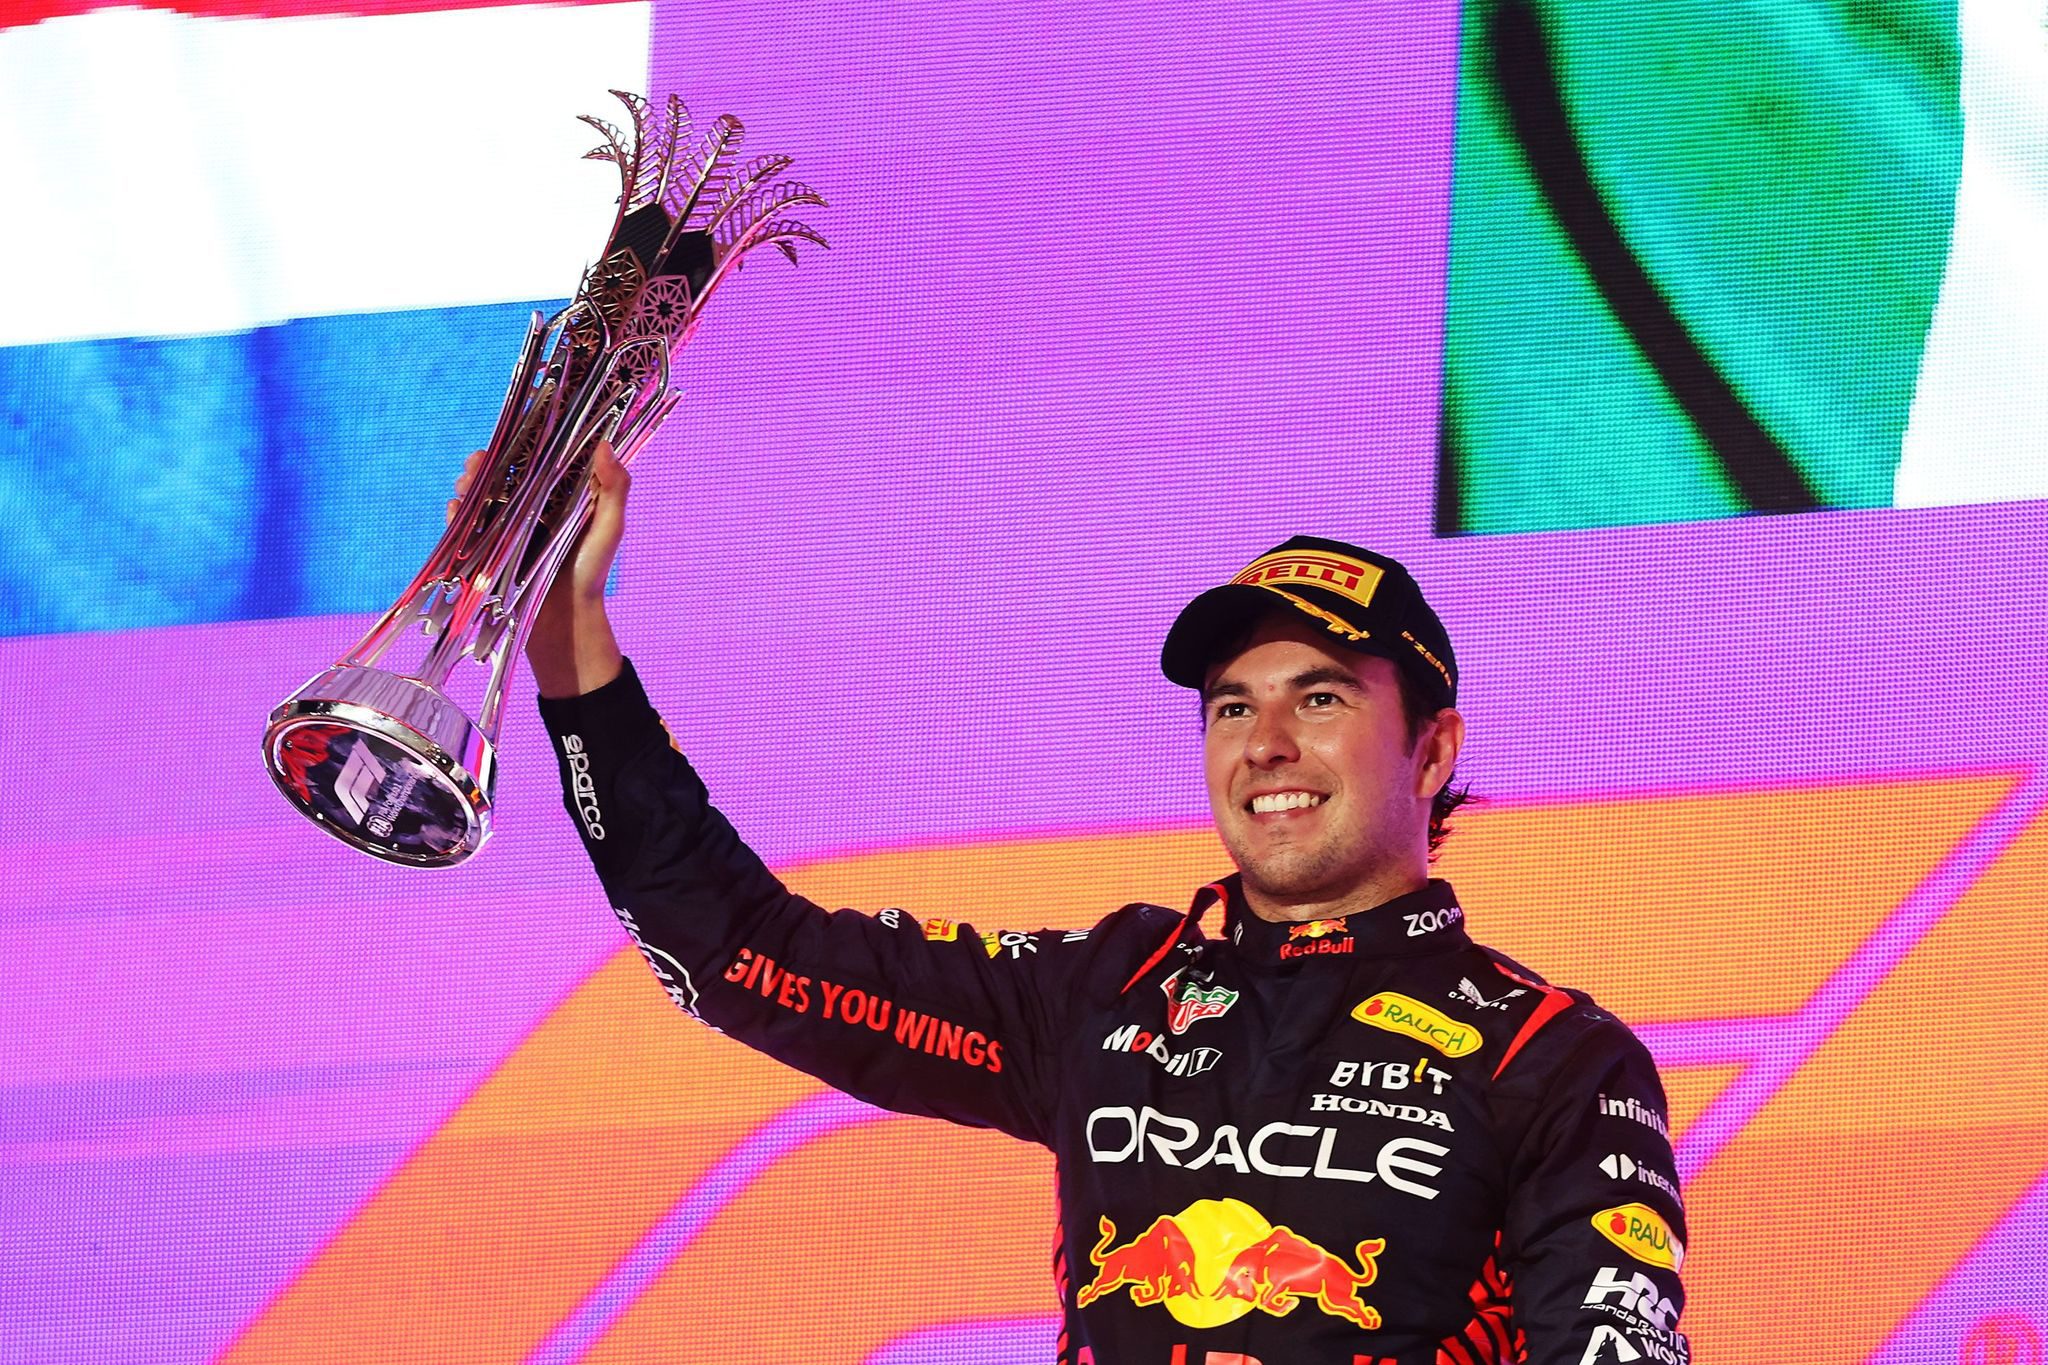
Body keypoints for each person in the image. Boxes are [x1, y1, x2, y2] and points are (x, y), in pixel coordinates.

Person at [471, 443, 1692, 1364]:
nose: (1264, 742)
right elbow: (739, 950)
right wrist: (567, 644)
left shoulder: (1552, 1060)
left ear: (1430, 751)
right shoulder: (1110, 990)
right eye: (1231, 706)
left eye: (1318, 699)